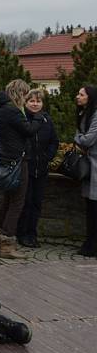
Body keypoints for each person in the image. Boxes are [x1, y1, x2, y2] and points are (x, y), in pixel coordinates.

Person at [0, 79, 42, 258]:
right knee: (17, 202)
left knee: (7, 200)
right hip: (17, 162)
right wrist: (38, 117)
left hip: (5, 159)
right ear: (20, 93)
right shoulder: (13, 111)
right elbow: (29, 130)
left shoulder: (0, 108)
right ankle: (7, 243)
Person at [17, 88, 59, 248]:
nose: (35, 104)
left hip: (41, 169)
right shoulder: (22, 119)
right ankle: (21, 234)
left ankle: (32, 234)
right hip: (26, 167)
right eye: (32, 101)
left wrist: (47, 157)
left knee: (36, 203)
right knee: (25, 202)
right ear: (26, 102)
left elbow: (54, 141)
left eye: (38, 101)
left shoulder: (47, 120)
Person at [75, 85, 97, 256]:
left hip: (95, 166)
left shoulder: (95, 115)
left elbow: (88, 139)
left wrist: (77, 138)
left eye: (81, 95)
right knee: (90, 207)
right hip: (91, 166)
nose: (78, 97)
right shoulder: (85, 114)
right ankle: (90, 243)